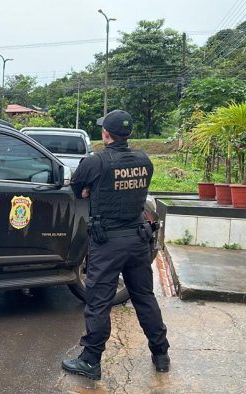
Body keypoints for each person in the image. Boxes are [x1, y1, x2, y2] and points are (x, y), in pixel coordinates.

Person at [61, 110, 170, 380]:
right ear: (129, 133)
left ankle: (90, 361)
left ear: (105, 134)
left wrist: (91, 189)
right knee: (144, 297)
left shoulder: (95, 162)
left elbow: (78, 189)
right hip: (137, 239)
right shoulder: (145, 160)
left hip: (107, 242)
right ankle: (161, 354)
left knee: (98, 302)